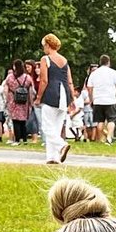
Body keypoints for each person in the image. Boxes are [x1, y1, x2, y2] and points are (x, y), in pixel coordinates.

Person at [35, 33, 76, 164]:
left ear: (47, 45)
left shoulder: (45, 59)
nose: (43, 49)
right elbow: (69, 81)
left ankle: (61, 145)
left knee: (47, 126)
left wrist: (38, 97)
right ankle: (52, 158)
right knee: (56, 127)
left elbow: (44, 80)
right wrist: (72, 99)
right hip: (64, 95)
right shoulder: (64, 61)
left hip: (51, 94)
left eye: (44, 46)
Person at [85, 54, 116, 143]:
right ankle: (109, 137)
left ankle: (101, 138)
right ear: (108, 62)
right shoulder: (113, 72)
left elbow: (89, 87)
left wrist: (91, 98)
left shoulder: (94, 74)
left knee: (99, 121)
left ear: (100, 62)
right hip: (110, 99)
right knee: (111, 120)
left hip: (98, 100)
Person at [4, 59, 34, 145]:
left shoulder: (10, 77)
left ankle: (17, 140)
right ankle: (24, 139)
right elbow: (31, 90)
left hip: (13, 101)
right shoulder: (27, 77)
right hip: (24, 101)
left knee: (15, 121)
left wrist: (6, 100)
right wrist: (31, 102)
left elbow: (6, 89)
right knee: (23, 121)